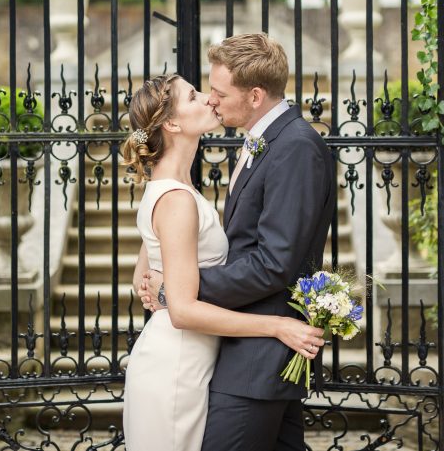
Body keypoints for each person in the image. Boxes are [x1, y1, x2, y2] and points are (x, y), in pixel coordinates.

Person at [138, 33, 336, 451]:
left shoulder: (295, 147)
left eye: (219, 92)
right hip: (245, 347)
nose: (211, 100)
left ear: (256, 96)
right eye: (205, 92)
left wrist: (178, 290)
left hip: (258, 358)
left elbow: (273, 262)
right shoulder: (263, 141)